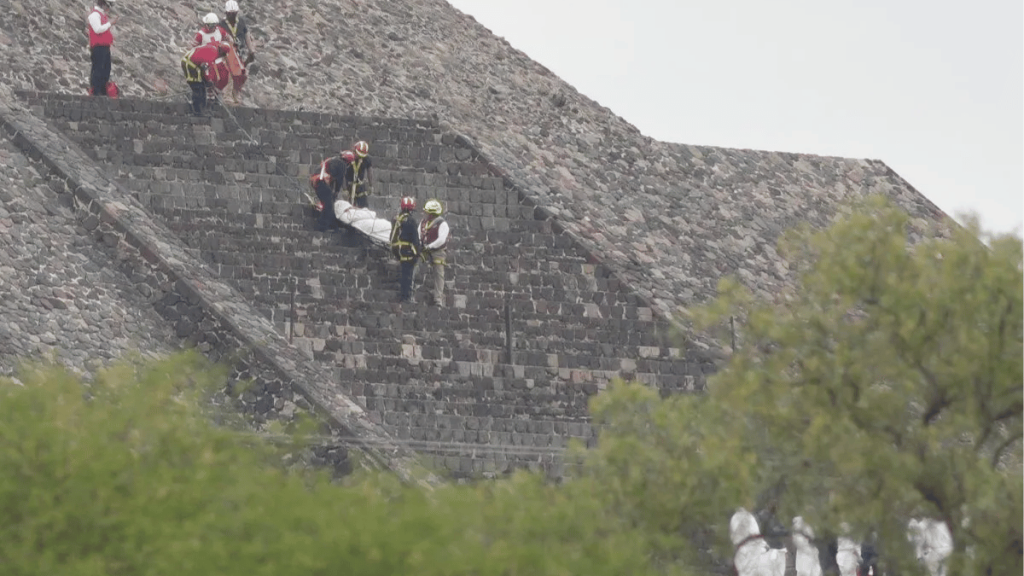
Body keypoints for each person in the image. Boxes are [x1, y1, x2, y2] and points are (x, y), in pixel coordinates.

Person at [219, 1, 257, 104]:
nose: (232, 16)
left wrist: (251, 50)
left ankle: (236, 92)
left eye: (234, 13)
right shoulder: (221, 24)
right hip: (227, 53)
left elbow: (247, 35)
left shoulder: (241, 22)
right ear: (226, 13)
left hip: (239, 53)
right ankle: (227, 96)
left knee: (243, 74)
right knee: (230, 73)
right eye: (230, 14)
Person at [309, 150, 355, 231]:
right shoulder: (342, 165)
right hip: (321, 182)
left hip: (316, 181)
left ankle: (332, 224)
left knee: (329, 202)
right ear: (348, 162)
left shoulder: (334, 160)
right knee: (329, 205)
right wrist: (336, 191)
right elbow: (339, 181)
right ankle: (322, 226)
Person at [181, 41, 230, 116]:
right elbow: (206, 68)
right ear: (222, 53)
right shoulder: (213, 54)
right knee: (197, 86)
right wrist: (208, 80)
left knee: (201, 86)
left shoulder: (213, 49)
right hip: (190, 63)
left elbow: (206, 67)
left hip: (193, 63)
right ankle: (198, 111)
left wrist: (207, 80)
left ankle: (201, 109)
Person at [419, 199, 450, 306]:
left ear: (432, 214)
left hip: (438, 251)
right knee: (415, 264)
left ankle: (438, 298)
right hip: (424, 249)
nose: (425, 214)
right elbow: (419, 234)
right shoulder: (423, 223)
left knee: (439, 273)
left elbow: (441, 240)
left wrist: (430, 246)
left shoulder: (442, 224)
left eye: (427, 212)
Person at [390, 197, 421, 304]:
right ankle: (406, 297)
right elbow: (415, 239)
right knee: (408, 275)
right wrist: (417, 253)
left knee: (404, 273)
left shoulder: (396, 219)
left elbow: (392, 237)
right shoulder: (411, 221)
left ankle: (402, 296)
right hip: (408, 252)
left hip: (398, 251)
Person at [86, 0, 118, 97]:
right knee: (98, 69)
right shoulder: (94, 15)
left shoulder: (101, 15)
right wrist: (110, 23)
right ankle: (96, 91)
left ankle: (103, 91)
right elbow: (98, 29)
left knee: (106, 69)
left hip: (104, 46)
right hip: (98, 46)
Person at [345, 140, 374, 208]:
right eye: (359, 155)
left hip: (360, 186)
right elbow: (343, 173)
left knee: (364, 208)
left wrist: (371, 185)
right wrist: (344, 189)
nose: (360, 157)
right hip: (349, 185)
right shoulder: (348, 157)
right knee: (348, 207)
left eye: (362, 156)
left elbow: (370, 171)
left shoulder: (366, 159)